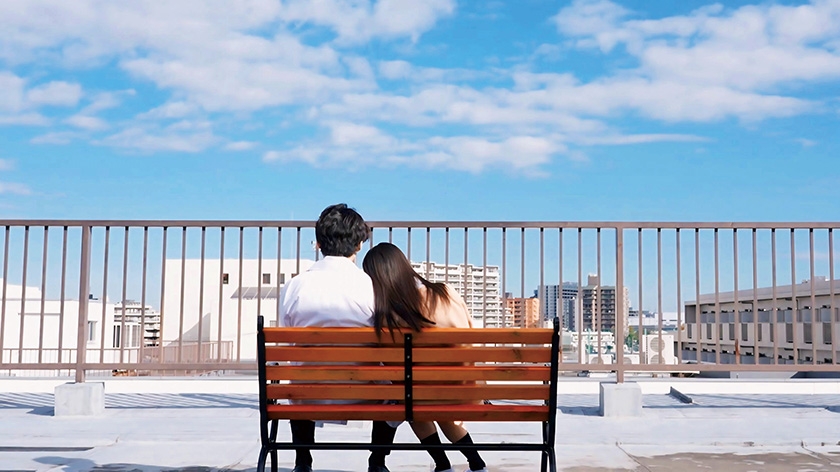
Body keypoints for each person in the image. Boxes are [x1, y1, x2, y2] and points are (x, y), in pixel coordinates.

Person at [278, 204, 398, 472]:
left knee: (299, 377)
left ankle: (303, 461)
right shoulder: (372, 287)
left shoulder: (295, 286)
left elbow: (285, 342)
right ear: (359, 245)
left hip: (307, 395)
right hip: (365, 394)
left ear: (319, 243)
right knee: (393, 390)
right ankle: (377, 462)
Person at [362, 242, 489, 472]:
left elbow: (391, 368)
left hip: (417, 396)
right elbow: (468, 337)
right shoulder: (445, 293)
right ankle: (476, 463)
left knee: (411, 401)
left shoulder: (387, 318)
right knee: (428, 402)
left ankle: (442, 464)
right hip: (462, 387)